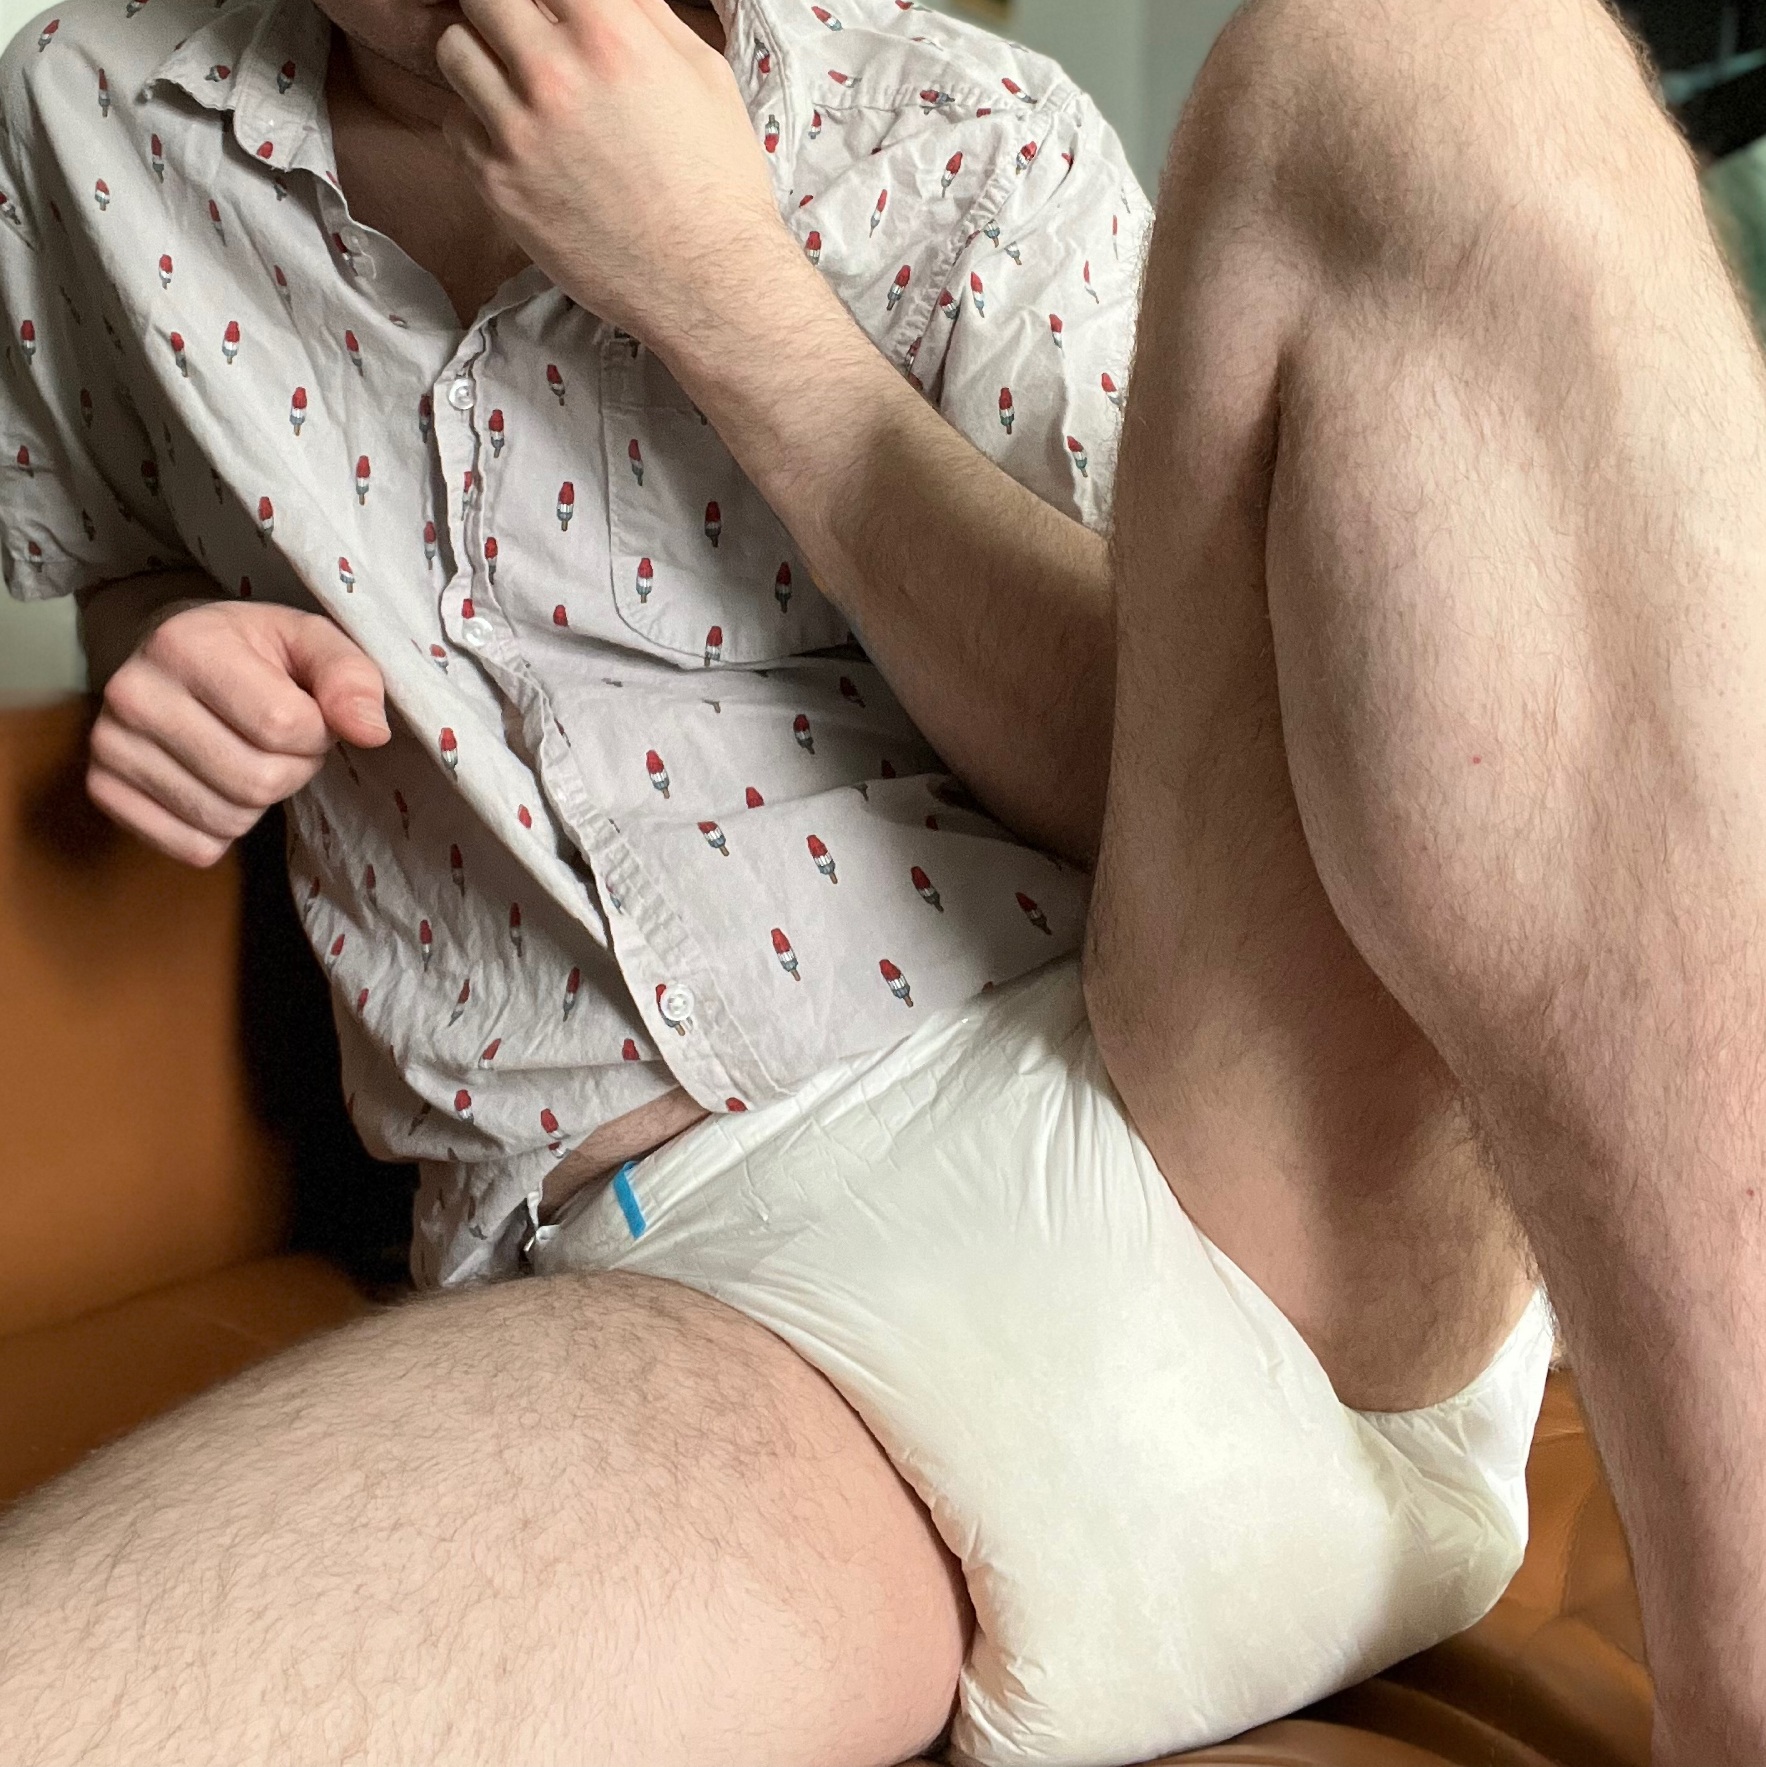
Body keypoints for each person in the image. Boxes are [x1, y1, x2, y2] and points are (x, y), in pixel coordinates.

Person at [0, 0, 1757, 1764]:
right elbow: (127, 551)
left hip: (1213, 1141)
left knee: (1431, 55)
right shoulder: (86, 119)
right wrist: (176, 662)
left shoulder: (963, 134)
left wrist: (719, 289)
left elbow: (1204, 786)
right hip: (699, 1307)